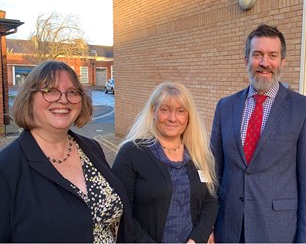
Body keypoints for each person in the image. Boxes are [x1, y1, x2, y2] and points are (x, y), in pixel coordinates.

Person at [210, 24, 306, 243]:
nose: (265, 63)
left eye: (273, 55)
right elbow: (214, 173)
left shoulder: (305, 111)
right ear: (246, 60)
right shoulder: (225, 107)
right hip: (229, 228)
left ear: (283, 61)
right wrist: (208, 225)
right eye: (257, 55)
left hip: (278, 232)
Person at [0, 60, 133, 242]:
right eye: (50, 90)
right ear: (29, 98)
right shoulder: (7, 168)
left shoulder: (91, 148)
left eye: (72, 92)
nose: (63, 99)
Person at [112, 82, 218, 243]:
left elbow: (210, 202)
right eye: (165, 109)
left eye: (180, 111)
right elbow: (122, 212)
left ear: (189, 116)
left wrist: (196, 239)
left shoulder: (199, 154)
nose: (172, 118)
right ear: (153, 111)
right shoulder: (131, 154)